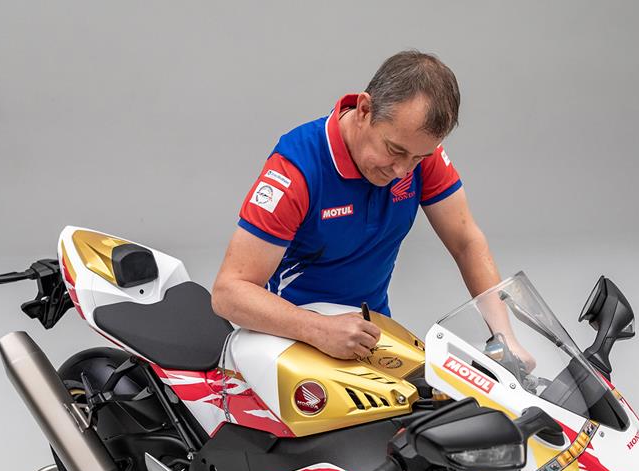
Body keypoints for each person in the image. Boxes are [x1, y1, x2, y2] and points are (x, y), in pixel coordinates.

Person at [212, 50, 533, 367]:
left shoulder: (417, 154)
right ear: (364, 109)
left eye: (418, 158)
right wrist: (317, 328)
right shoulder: (297, 169)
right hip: (288, 339)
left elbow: (466, 241)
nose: (402, 171)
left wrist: (505, 338)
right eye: (394, 150)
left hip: (369, 335)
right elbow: (228, 293)